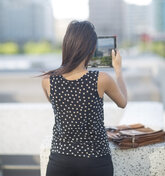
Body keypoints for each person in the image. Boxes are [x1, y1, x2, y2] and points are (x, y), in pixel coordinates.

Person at [40, 20, 127, 176]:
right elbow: (123, 102)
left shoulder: (48, 80)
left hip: (59, 162)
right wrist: (118, 70)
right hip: (95, 161)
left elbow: (62, 108)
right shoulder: (101, 78)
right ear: (92, 49)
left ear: (66, 45)